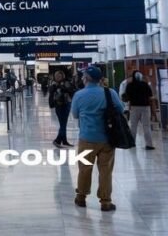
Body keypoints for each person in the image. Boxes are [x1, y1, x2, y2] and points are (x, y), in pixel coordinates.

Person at [72, 66, 125, 211]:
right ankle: (106, 201)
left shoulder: (79, 95)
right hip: (107, 139)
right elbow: (120, 109)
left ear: (87, 79)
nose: (82, 79)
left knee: (84, 169)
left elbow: (75, 115)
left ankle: (81, 198)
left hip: (86, 138)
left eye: (83, 77)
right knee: (105, 171)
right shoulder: (110, 93)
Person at [124, 70, 156, 150]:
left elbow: (127, 97)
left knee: (133, 126)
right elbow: (150, 97)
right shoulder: (145, 85)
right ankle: (149, 144)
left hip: (134, 108)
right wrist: (153, 111)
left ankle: (132, 143)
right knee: (146, 126)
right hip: (145, 107)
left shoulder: (130, 86)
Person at [49, 70, 76, 148]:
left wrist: (63, 88)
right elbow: (51, 94)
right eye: (56, 76)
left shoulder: (66, 83)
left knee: (63, 124)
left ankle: (63, 141)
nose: (58, 77)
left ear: (62, 76)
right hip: (59, 105)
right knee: (63, 124)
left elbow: (71, 90)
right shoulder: (54, 84)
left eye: (59, 76)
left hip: (66, 104)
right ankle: (58, 140)